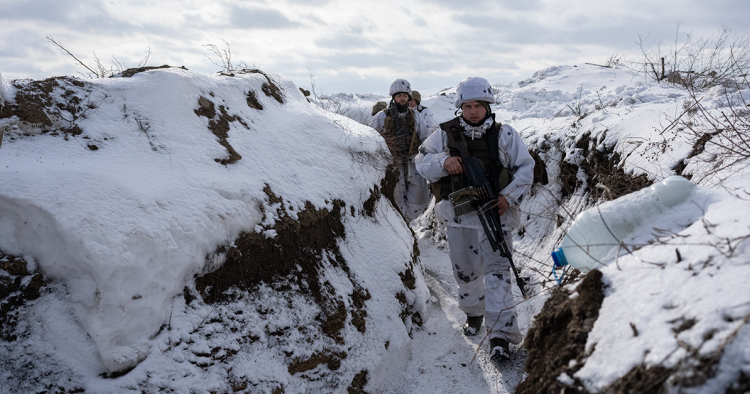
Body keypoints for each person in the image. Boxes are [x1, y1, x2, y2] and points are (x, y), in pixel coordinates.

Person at [415, 77, 534, 363]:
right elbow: (421, 162)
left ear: (487, 105)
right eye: (467, 106)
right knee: (465, 273)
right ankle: (473, 313)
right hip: (459, 218)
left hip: (497, 215)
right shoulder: (445, 135)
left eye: (477, 106)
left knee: (497, 274)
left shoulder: (505, 135)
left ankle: (500, 337)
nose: (472, 111)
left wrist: (508, 198)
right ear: (461, 107)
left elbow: (525, 168)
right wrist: (444, 162)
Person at [370, 79, 435, 221]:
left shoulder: (416, 115)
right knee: (396, 197)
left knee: (419, 198)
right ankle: (401, 228)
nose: (402, 98)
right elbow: (371, 137)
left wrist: (424, 155)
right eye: (399, 96)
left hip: (414, 163)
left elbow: (425, 137)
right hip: (394, 164)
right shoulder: (382, 116)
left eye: (405, 96)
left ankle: (413, 226)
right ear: (393, 97)